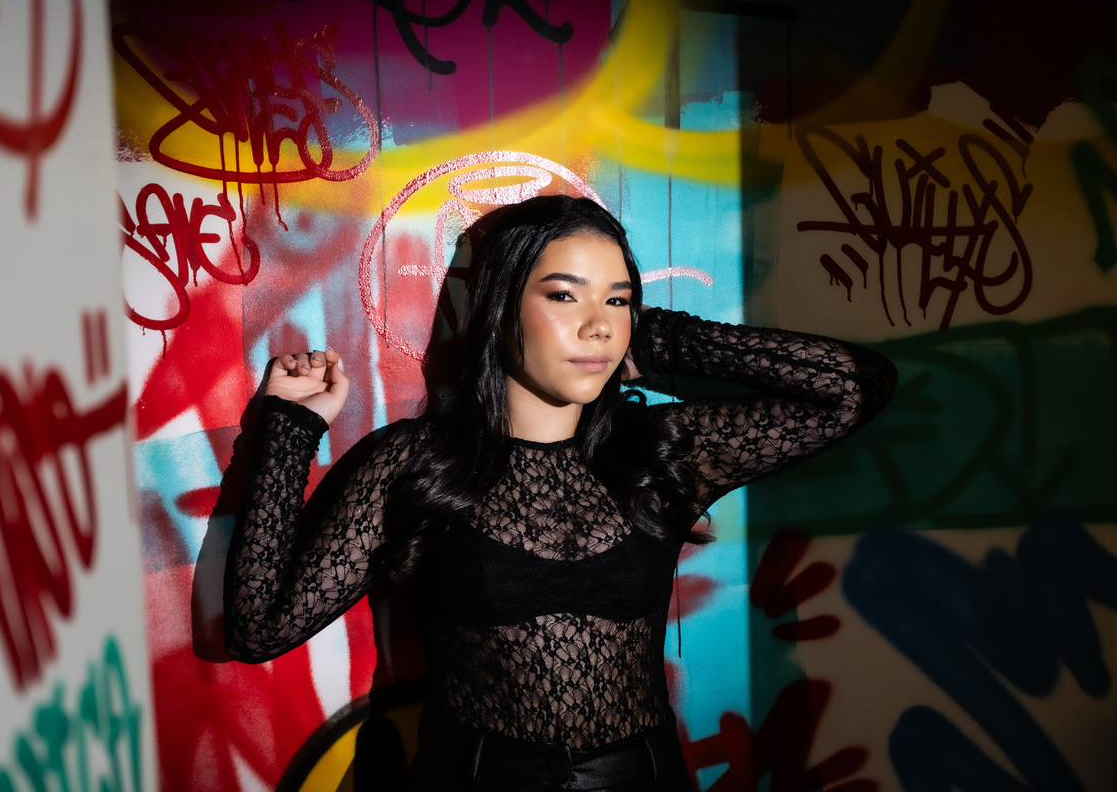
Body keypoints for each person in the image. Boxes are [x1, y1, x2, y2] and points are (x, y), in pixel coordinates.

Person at [224, 194, 897, 791]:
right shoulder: (418, 463)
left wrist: (656, 337)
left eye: (617, 299)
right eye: (565, 296)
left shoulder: (660, 455)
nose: (598, 325)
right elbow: (260, 628)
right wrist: (289, 429)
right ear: (501, 309)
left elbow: (854, 387)